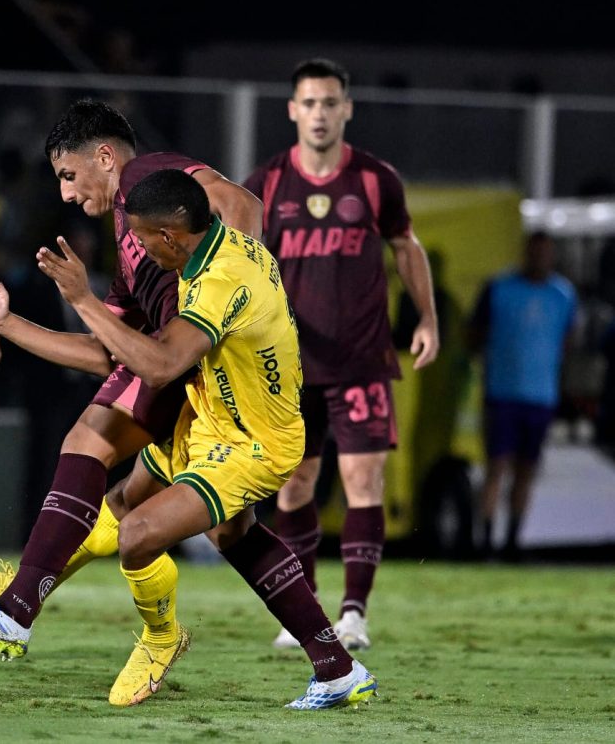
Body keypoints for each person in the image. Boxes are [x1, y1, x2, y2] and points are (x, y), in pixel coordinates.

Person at [0, 170, 377, 710]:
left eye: (141, 239)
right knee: (174, 519)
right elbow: (121, 353)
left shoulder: (221, 280)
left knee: (137, 534)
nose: (136, 249)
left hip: (253, 443)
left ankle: (154, 634)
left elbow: (160, 365)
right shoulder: (210, 246)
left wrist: (81, 297)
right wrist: (8, 324)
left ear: (169, 235)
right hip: (209, 420)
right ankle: (337, 668)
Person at [0, 98, 263, 627]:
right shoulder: (132, 249)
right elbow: (107, 356)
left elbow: (243, 203)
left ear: (106, 158)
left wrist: (236, 299)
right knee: (190, 521)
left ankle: (19, 603)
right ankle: (335, 664)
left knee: (88, 443)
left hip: (209, 371)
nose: (65, 191)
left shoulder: (147, 175)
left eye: (69, 174)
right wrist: (7, 322)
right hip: (188, 378)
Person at [242, 58, 440, 650]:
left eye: (331, 102)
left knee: (363, 478)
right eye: (310, 103)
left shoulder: (377, 180)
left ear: (347, 109)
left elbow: (407, 247)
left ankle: (354, 613)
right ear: (292, 110)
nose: (320, 113)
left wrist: (427, 317)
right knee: (295, 486)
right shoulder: (268, 183)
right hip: (290, 368)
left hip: (361, 359)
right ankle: (300, 615)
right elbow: (240, 264)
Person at [467, 231, 576, 560]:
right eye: (535, 252)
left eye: (546, 253)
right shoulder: (499, 289)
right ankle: (485, 541)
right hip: (502, 393)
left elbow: (568, 342)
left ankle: (513, 541)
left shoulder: (563, 295)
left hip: (540, 396)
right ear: (526, 253)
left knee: (526, 471)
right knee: (497, 467)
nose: (540, 258)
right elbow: (474, 334)